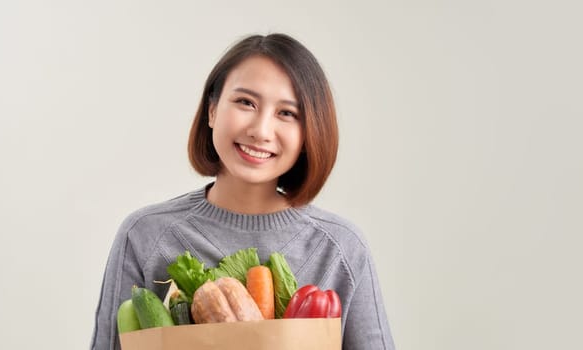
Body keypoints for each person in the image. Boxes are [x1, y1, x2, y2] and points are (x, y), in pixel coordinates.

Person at [89, 33, 395, 350]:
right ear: (212, 110)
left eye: (287, 113)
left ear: (308, 133)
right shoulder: (145, 236)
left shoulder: (340, 249)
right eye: (245, 102)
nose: (260, 131)